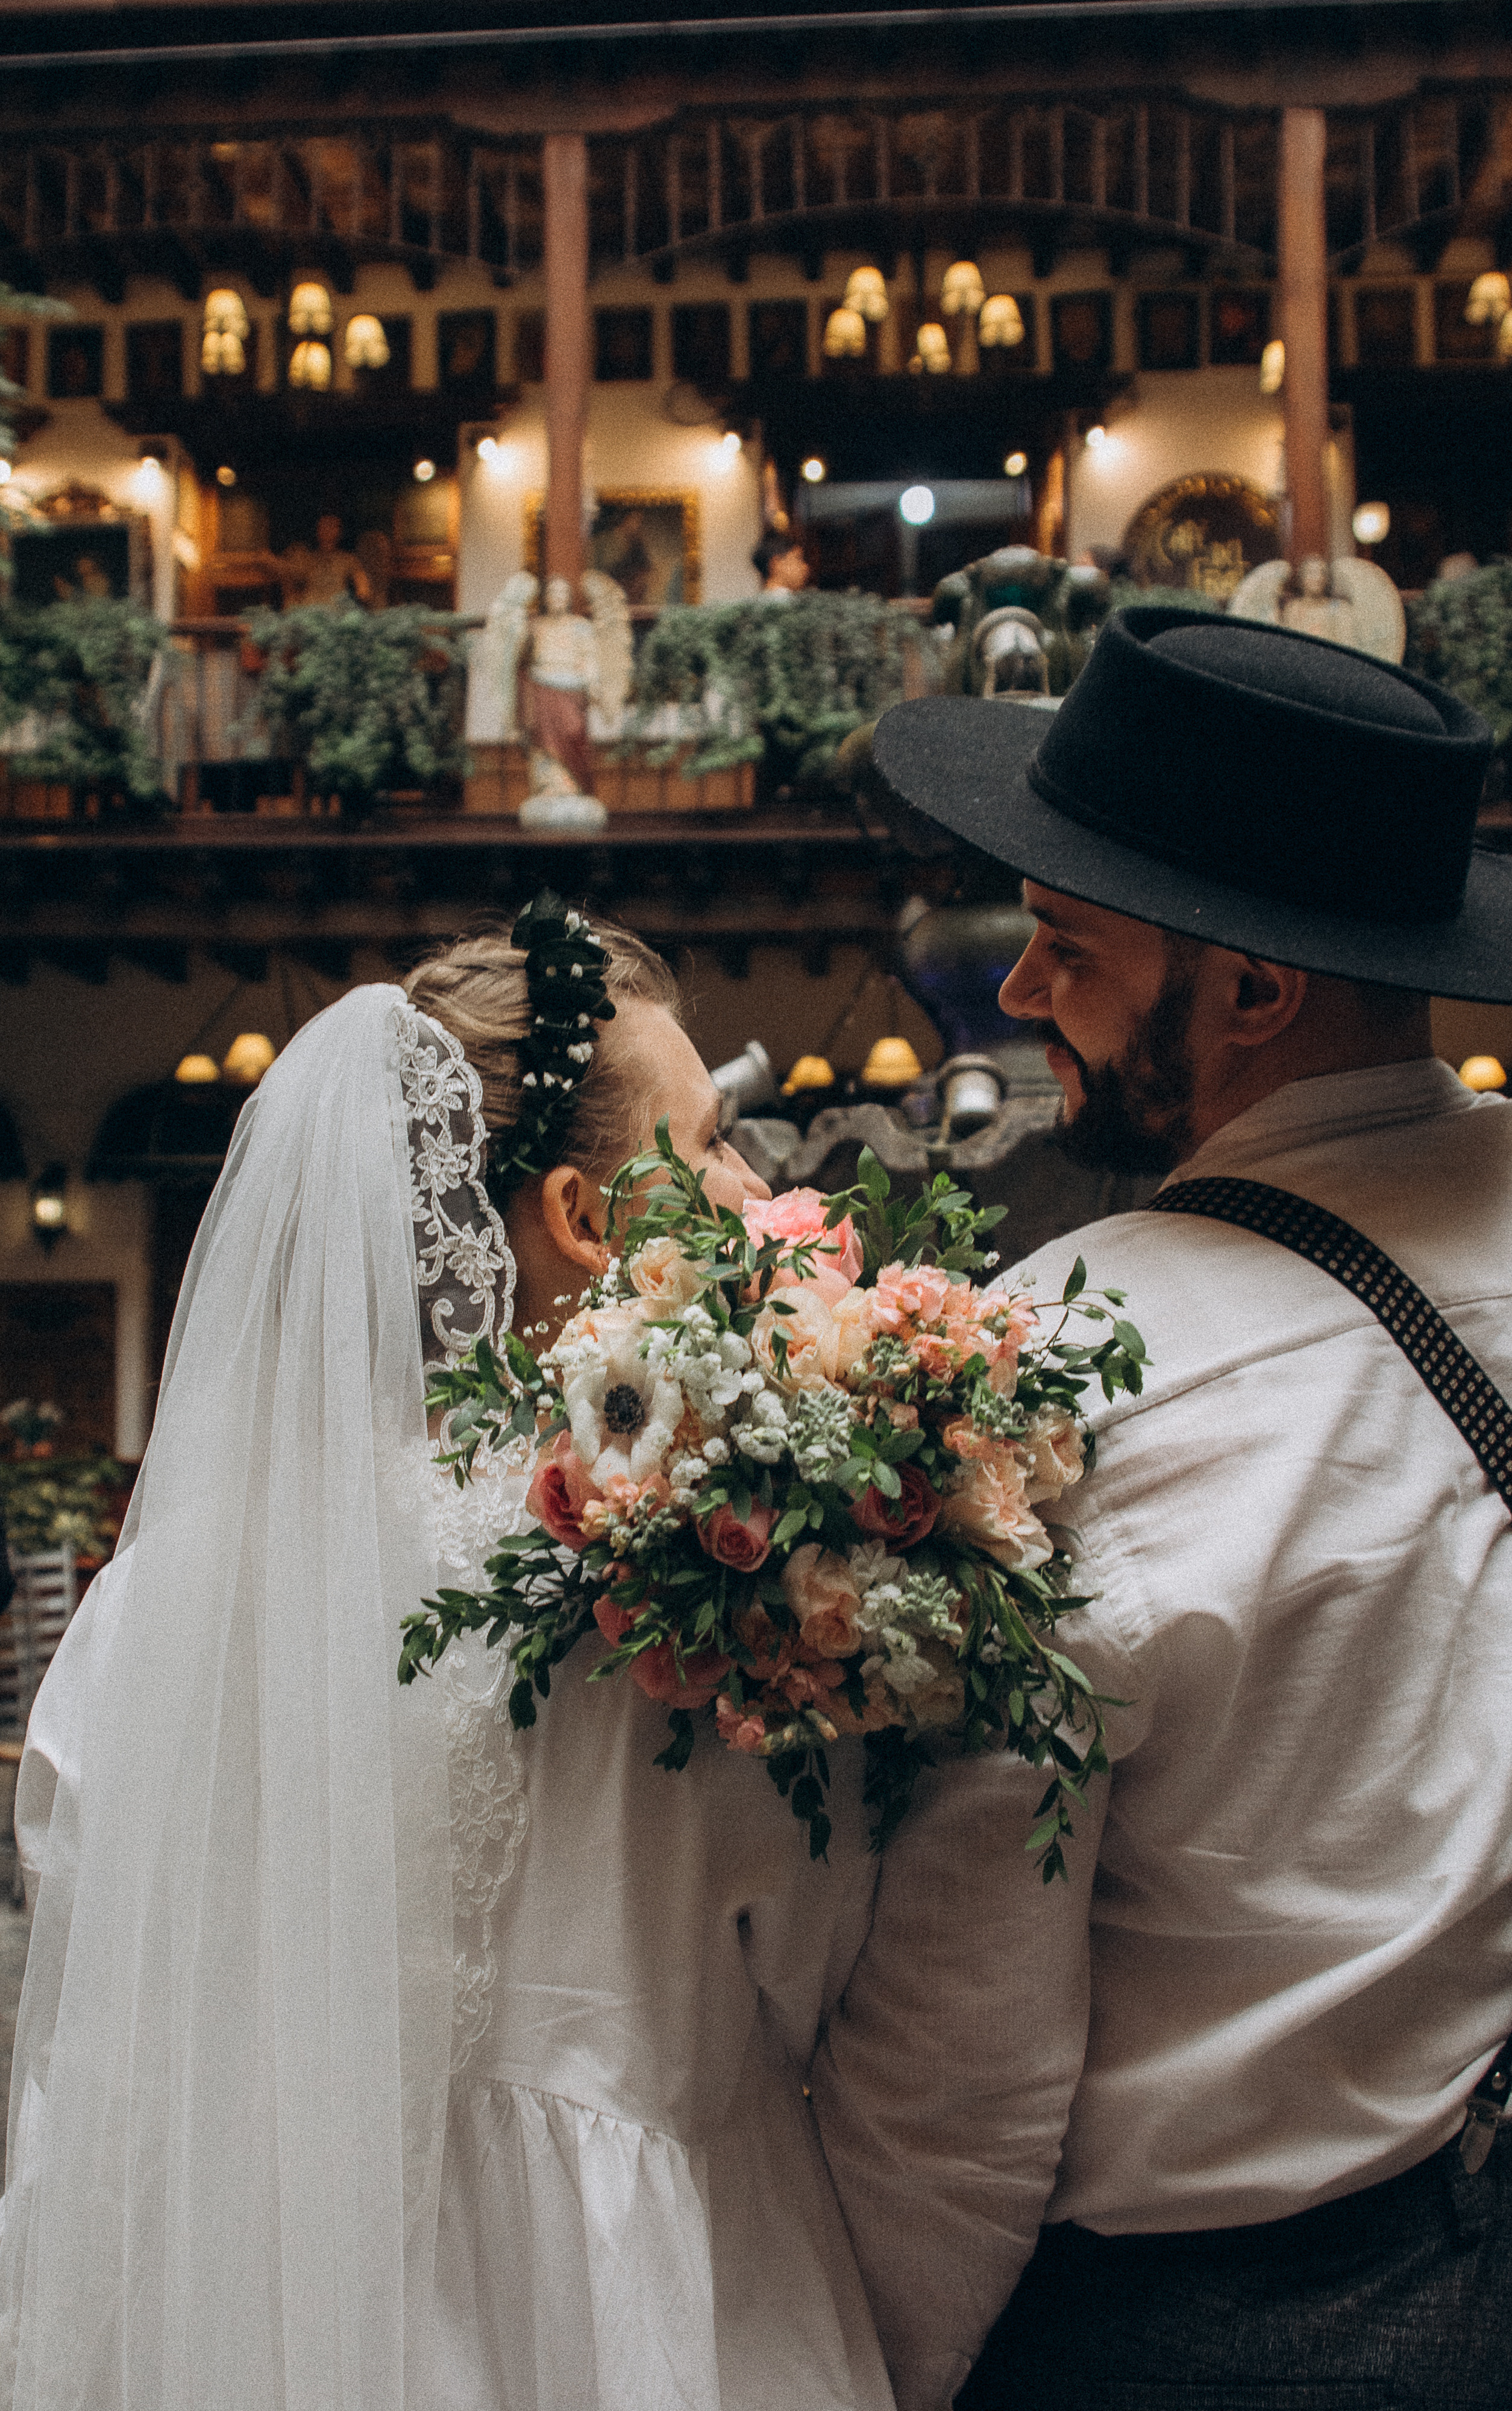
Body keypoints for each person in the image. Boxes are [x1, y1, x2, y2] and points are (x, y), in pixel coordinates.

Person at [0, 901, 894, 2411]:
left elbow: (90, 1998)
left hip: (247, 2315)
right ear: (586, 1221)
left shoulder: (157, 1599)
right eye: (717, 1139)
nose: (755, 1185)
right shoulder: (677, 1601)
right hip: (643, 2318)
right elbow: (822, 1971)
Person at [811, 608, 1512, 2410]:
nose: (1022, 992)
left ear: (1254, 990)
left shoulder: (1068, 1367)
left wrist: (881, 2369)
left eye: (1066, 946)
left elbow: (958, 2067)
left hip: (1229, 2336)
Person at [752, 529, 811, 598]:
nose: (805, 567)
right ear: (776, 564)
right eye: (798, 559)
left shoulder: (760, 602)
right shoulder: (785, 603)